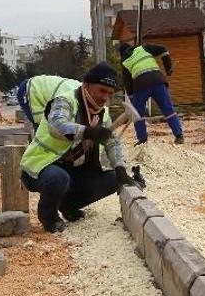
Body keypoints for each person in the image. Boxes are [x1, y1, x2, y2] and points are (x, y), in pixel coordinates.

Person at [19, 62, 140, 233]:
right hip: (40, 166)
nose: (105, 97)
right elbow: (57, 126)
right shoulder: (66, 100)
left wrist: (120, 168)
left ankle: (68, 206)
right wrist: (88, 132)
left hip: (72, 168)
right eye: (102, 90)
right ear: (87, 85)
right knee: (58, 179)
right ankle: (49, 217)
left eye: (110, 93)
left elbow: (111, 142)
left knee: (113, 179)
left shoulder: (102, 114)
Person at [118, 41, 184, 145]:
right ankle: (179, 135)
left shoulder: (124, 61)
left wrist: (132, 101)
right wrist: (168, 68)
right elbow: (163, 49)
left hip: (140, 85)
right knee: (168, 109)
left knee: (138, 114)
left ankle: (142, 139)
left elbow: (127, 82)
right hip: (157, 80)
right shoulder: (144, 48)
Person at [16, 75, 81, 131]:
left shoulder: (79, 87)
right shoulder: (73, 98)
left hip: (34, 87)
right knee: (45, 128)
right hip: (30, 91)